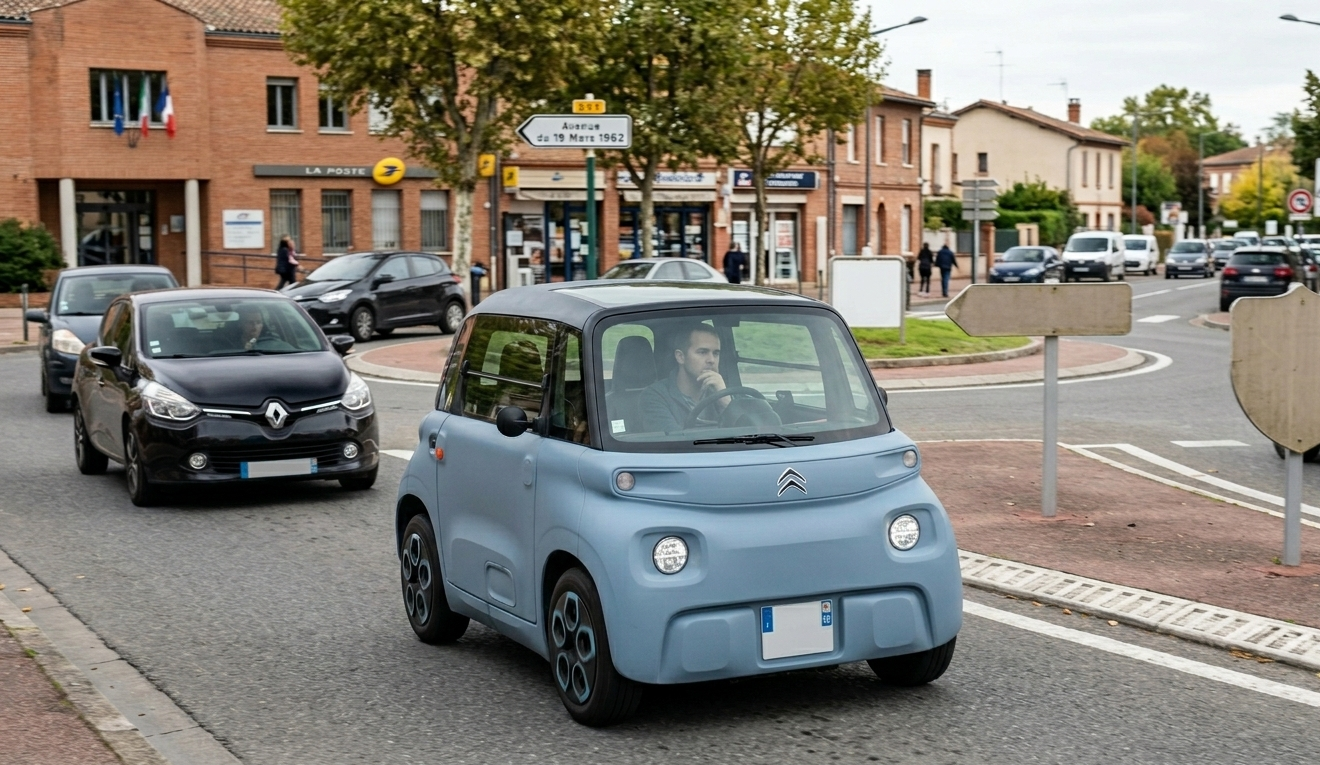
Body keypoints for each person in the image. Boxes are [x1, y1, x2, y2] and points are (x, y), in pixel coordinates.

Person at [639, 323, 730, 433]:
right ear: (680, 357)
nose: (711, 360)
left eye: (716, 353)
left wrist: (725, 402)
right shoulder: (655, 396)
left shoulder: (723, 392)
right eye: (702, 352)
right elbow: (672, 443)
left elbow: (748, 435)